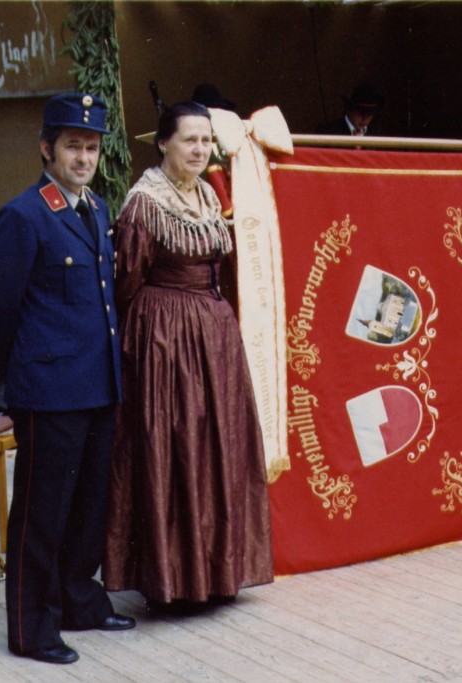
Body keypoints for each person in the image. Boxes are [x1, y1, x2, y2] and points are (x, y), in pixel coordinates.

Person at [0, 93, 135, 665]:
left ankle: (77, 601)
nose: (83, 158)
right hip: (50, 392)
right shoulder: (24, 215)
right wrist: (27, 373)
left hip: (97, 384)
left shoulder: (96, 209)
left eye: (91, 148)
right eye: (73, 146)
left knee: (88, 507)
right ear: (47, 149)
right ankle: (31, 628)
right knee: (43, 513)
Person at [103, 101, 274, 609]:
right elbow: (127, 282)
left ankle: (217, 572)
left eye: (205, 141)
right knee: (172, 446)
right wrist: (146, 345)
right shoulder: (144, 203)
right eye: (188, 141)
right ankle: (172, 578)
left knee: (215, 443)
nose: (199, 150)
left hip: (213, 337)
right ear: (163, 144)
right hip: (165, 339)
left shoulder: (206, 195)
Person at [316, 82, 385, 136]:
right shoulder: (327, 132)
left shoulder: (377, 133)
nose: (365, 119)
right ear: (349, 109)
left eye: (370, 114)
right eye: (361, 113)